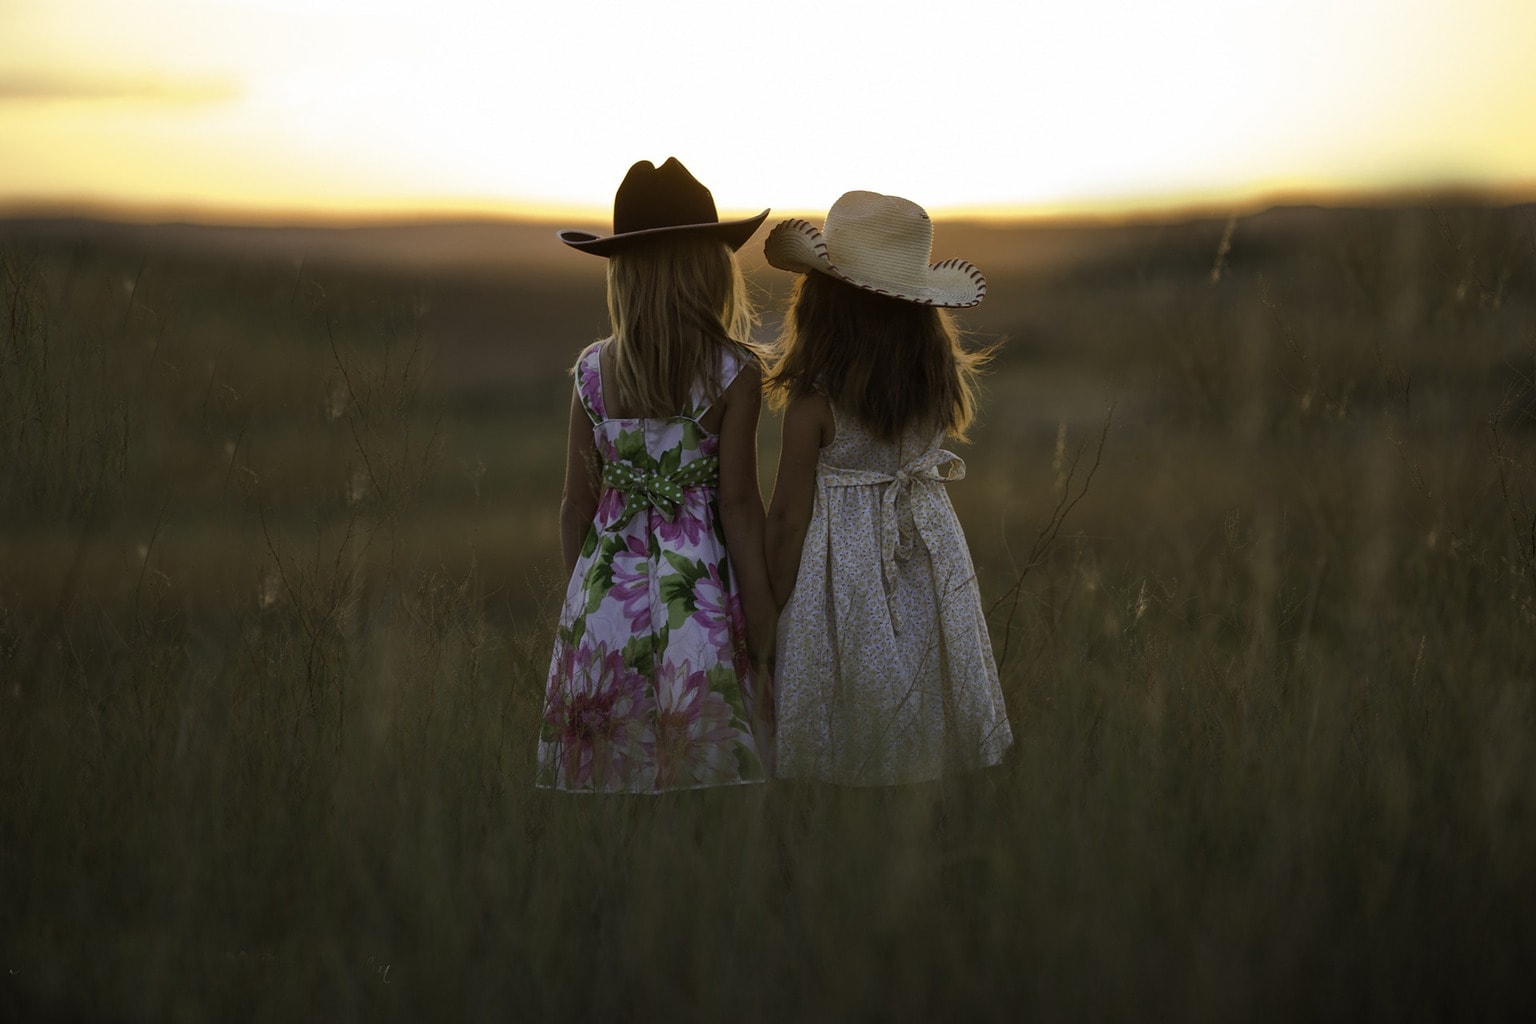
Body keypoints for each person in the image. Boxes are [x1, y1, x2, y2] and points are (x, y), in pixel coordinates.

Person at [536, 158, 775, 793]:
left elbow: (574, 506)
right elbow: (742, 508)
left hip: (603, 596)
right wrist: (765, 624)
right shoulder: (734, 373)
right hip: (696, 603)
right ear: (708, 269)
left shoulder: (592, 371)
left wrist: (581, 610)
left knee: (612, 778)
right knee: (701, 774)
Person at [762, 191, 1013, 786]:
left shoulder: (813, 405)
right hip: (930, 555)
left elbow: (787, 521)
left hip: (841, 579)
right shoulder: (932, 387)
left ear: (820, 304)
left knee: (850, 706)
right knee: (929, 687)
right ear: (920, 311)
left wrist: (765, 610)